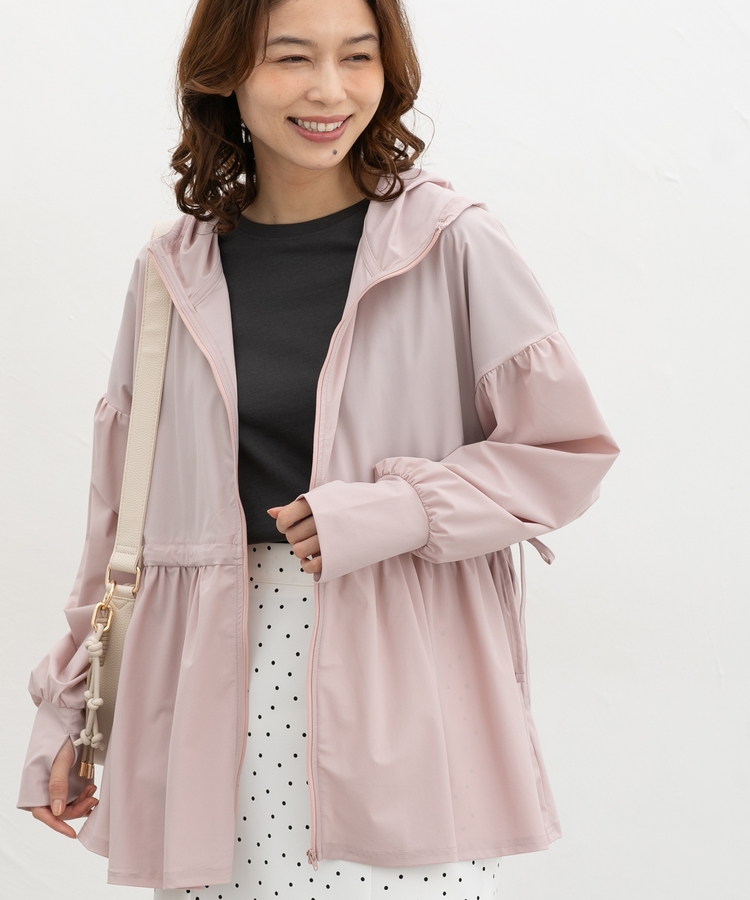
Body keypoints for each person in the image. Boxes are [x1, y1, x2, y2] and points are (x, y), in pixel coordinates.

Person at [17, 0, 619, 896]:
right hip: (204, 699)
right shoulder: (171, 273)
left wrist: (396, 509)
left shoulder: (449, 242)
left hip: (401, 688)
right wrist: (69, 710)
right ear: (227, 73)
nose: (330, 91)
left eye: (358, 57)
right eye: (292, 58)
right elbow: (118, 524)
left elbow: (566, 451)